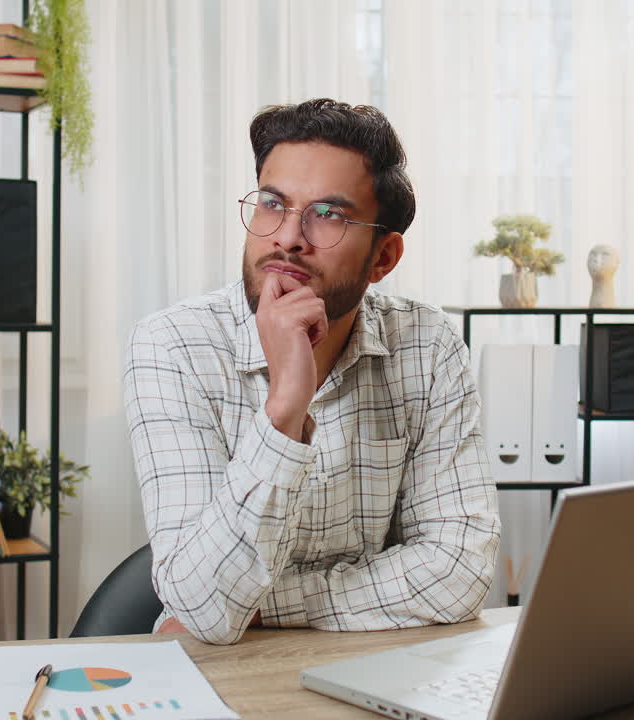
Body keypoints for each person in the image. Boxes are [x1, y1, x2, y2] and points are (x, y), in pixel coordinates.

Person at [123, 98, 499, 645]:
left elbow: (460, 571)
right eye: (272, 203)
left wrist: (261, 605)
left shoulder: (429, 344)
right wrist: (285, 408)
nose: (287, 237)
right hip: (220, 673)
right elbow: (203, 613)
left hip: (375, 660)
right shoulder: (174, 345)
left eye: (328, 214)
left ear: (383, 258)